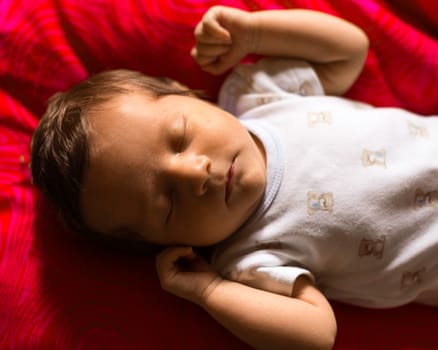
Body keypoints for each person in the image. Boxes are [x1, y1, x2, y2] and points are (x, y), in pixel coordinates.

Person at [30, 5, 438, 350]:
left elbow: (349, 50)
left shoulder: (259, 96)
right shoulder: (247, 260)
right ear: (168, 243)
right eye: (168, 201)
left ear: (186, 92)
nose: (194, 174)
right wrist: (208, 291)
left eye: (180, 137)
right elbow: (317, 334)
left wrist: (255, 32)